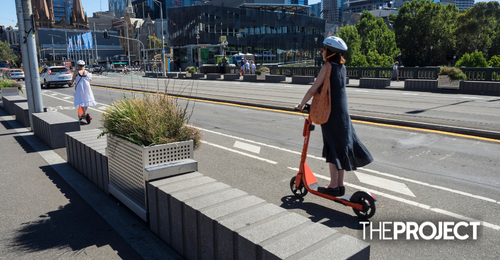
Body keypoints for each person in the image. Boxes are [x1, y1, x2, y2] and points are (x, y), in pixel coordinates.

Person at [295, 36, 373, 197]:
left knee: (332, 148)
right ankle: (339, 185)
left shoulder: (327, 67)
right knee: (340, 148)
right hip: (343, 114)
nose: (322, 51)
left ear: (330, 52)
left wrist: (301, 104)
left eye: (324, 49)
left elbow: (313, 89)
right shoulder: (342, 68)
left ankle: (333, 185)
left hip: (330, 114)